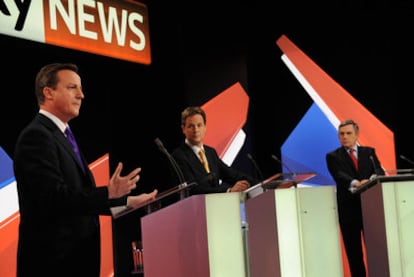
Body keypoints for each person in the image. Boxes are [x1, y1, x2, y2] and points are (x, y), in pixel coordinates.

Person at [13, 63, 158, 277]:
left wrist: (127, 202)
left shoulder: (62, 135)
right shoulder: (36, 136)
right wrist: (108, 193)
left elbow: (79, 201)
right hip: (53, 265)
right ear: (48, 92)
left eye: (80, 88)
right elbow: (54, 198)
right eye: (72, 87)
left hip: (77, 262)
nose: (81, 95)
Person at [326, 119, 384, 277]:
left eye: (348, 133)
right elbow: (339, 175)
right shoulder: (333, 156)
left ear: (357, 134)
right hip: (348, 211)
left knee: (376, 251)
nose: (344, 137)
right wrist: (357, 183)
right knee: (354, 255)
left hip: (370, 209)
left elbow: (379, 171)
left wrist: (371, 180)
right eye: (341, 134)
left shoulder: (369, 152)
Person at [171, 106, 257, 195]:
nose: (196, 130)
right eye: (191, 126)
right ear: (183, 129)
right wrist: (228, 191)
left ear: (205, 127)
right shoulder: (178, 156)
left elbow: (232, 174)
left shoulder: (210, 152)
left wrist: (259, 183)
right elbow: (193, 190)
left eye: (199, 125)